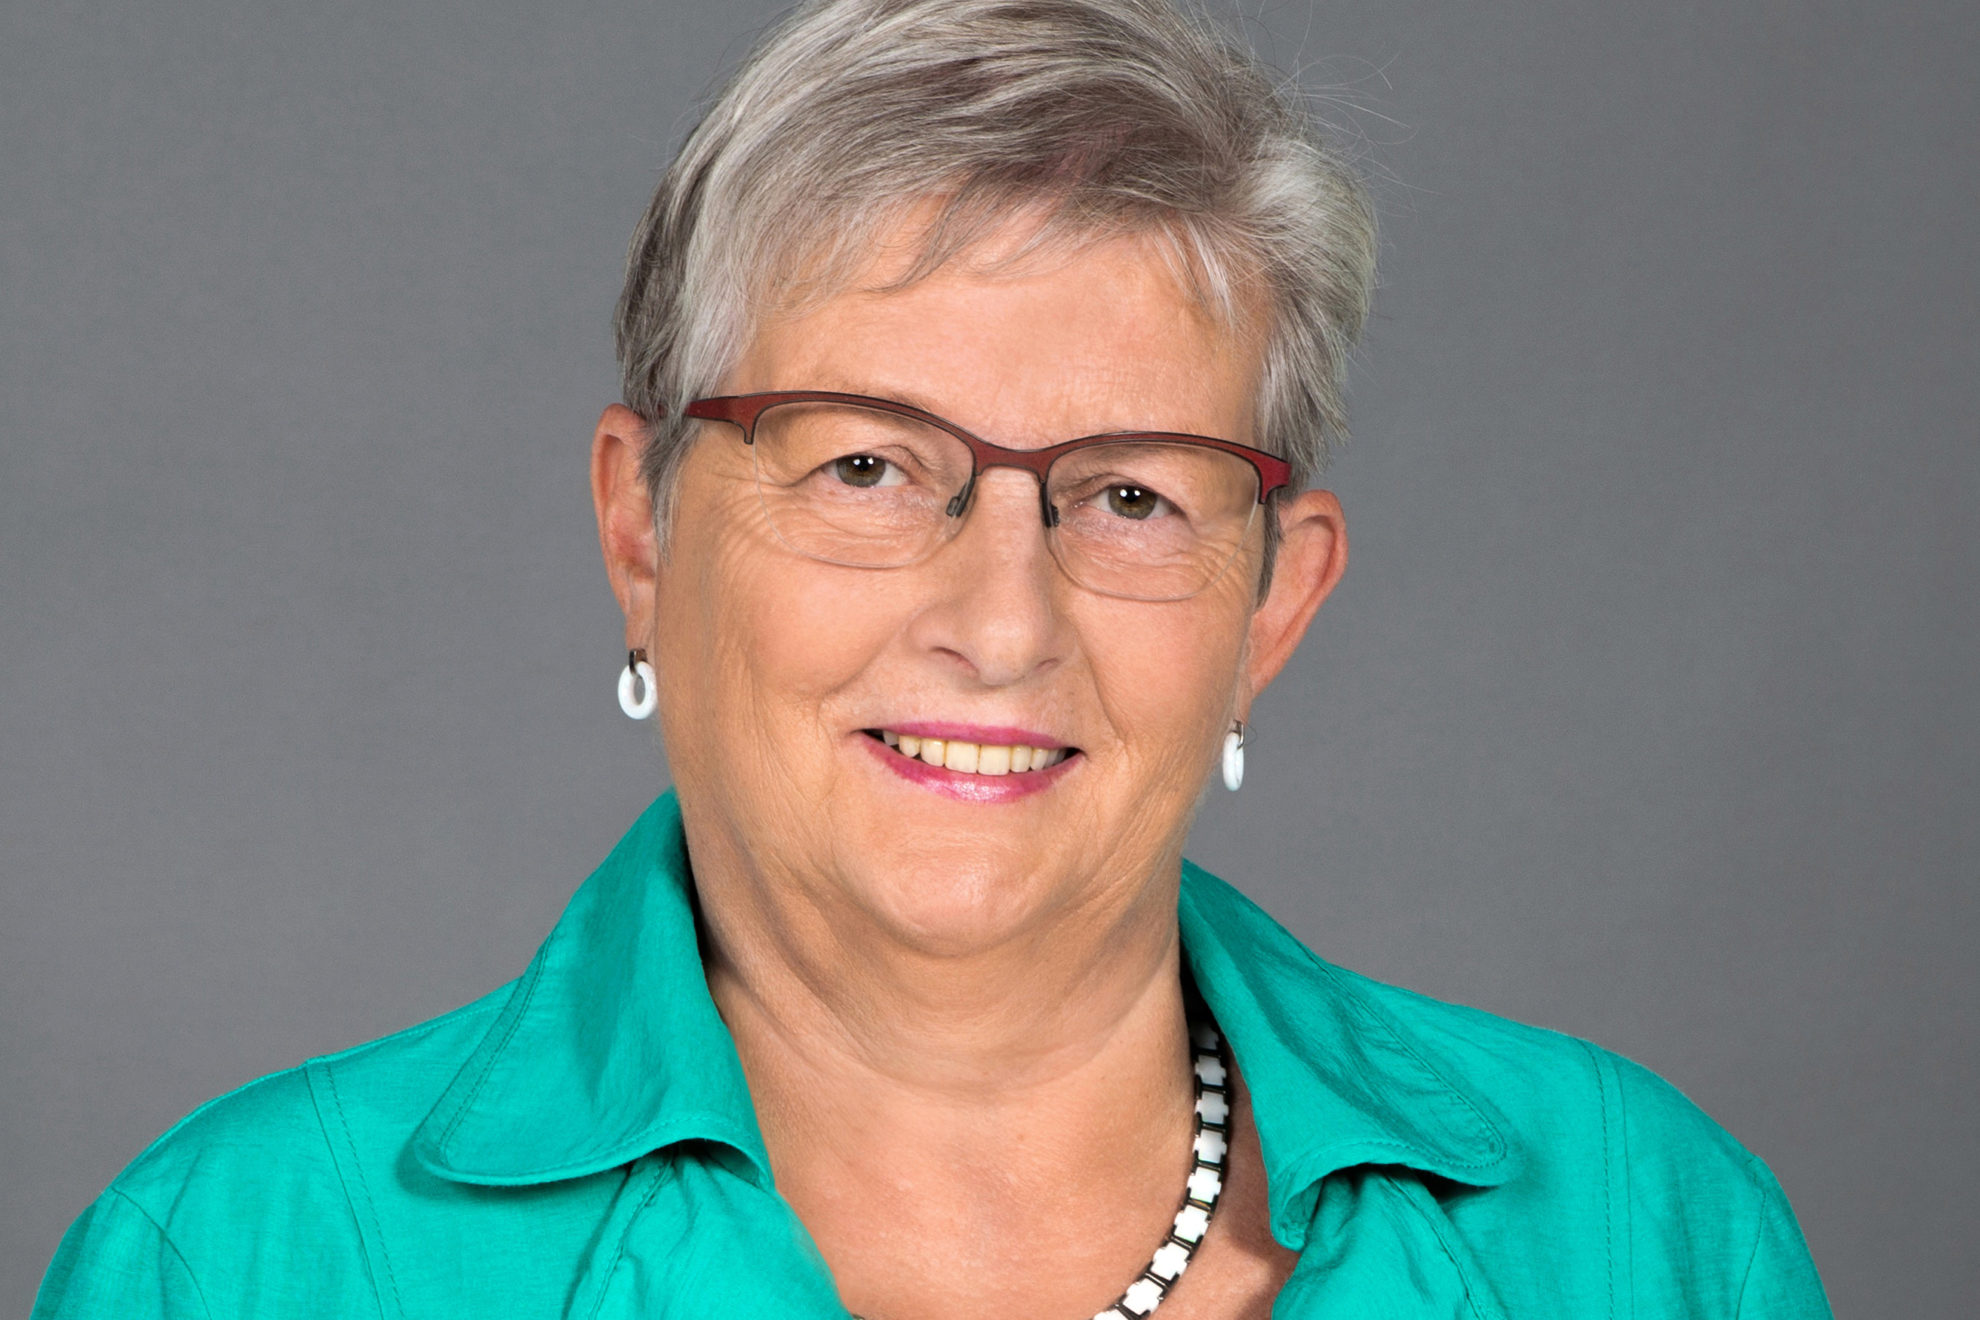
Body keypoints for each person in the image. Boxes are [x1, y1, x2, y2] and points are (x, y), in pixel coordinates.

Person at [33, 0, 1832, 1315]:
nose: (1001, 620)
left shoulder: (1642, 1237)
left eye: (1131, 495)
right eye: (866, 468)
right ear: (642, 532)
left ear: (1274, 608)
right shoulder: (246, 1262)